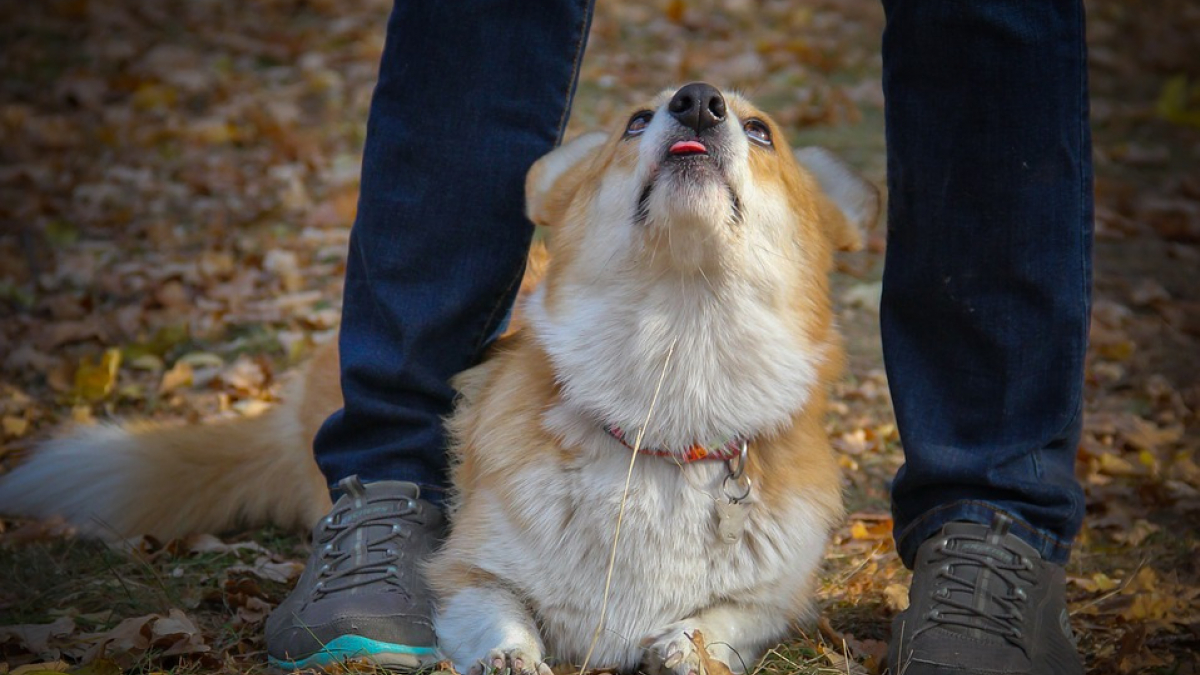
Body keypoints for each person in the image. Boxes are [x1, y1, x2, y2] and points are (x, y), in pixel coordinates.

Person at [263, 1, 1091, 674]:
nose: (697, 107)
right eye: (640, 124)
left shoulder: (797, 504)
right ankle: (387, 483)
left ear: (820, 224)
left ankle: (995, 523)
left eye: (756, 132)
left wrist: (717, 637)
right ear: (569, 205)